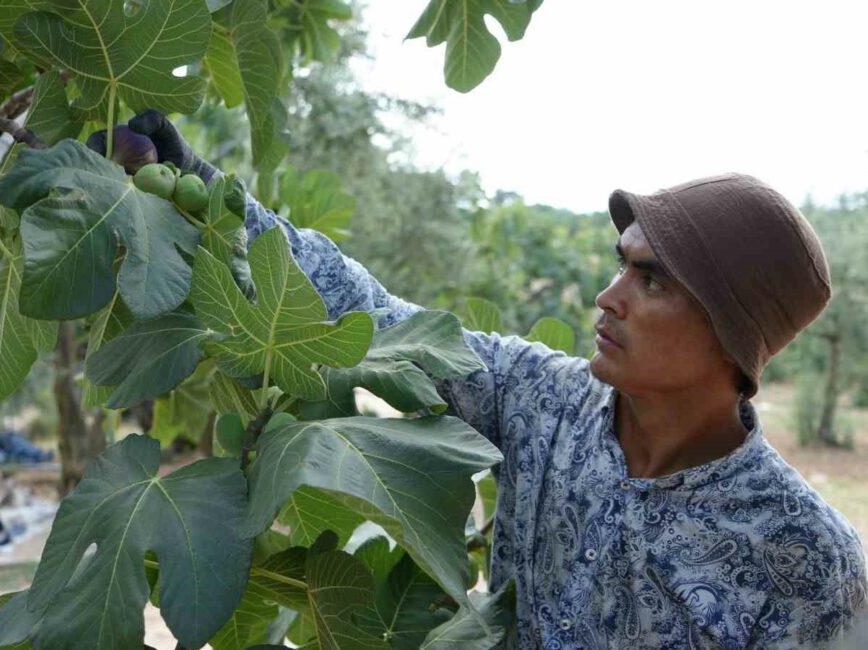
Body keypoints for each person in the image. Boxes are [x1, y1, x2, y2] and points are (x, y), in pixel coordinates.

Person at [127, 110, 867, 649]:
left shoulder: (809, 561)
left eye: (651, 281)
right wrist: (205, 193)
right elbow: (378, 320)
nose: (608, 298)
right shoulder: (537, 397)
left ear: (731, 329)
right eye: (621, 264)